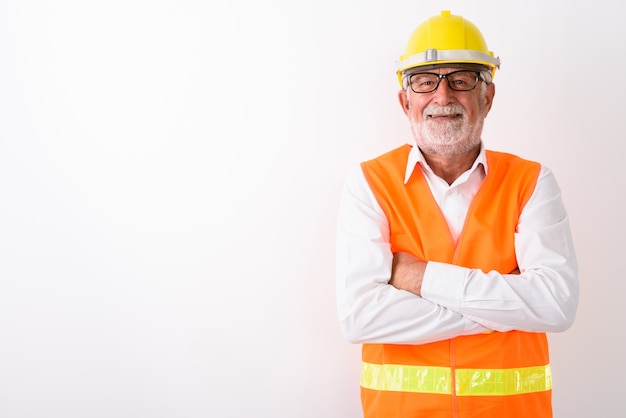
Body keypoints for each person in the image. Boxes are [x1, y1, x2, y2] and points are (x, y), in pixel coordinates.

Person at [335, 10, 579, 418]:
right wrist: (506, 307)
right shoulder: (369, 183)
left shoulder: (532, 181)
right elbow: (360, 318)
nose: (443, 97)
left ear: (488, 96)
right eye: (425, 81)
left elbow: (556, 306)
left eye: (462, 79)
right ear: (405, 100)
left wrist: (419, 277)